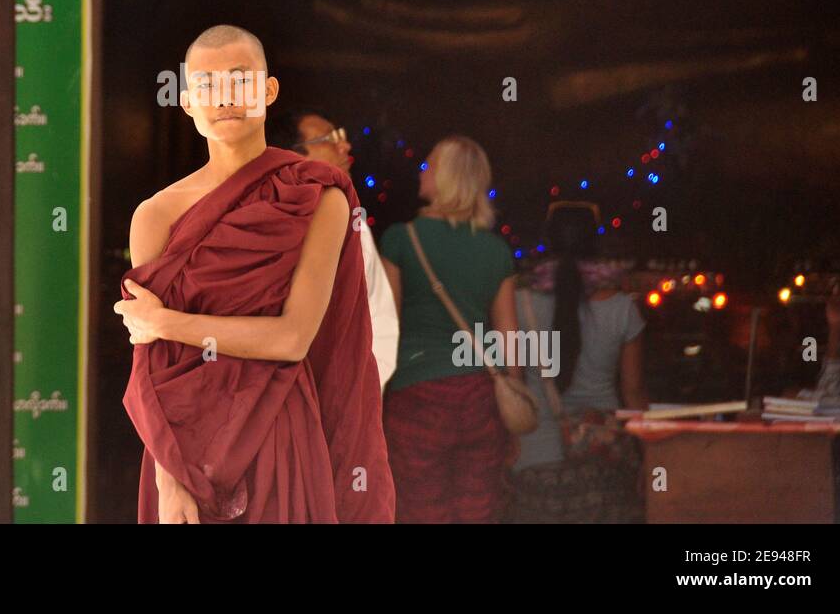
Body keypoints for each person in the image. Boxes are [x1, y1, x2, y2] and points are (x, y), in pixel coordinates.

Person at [113, 25, 394, 523]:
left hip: (279, 430)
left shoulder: (315, 196)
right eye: (207, 85)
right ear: (186, 102)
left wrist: (168, 323)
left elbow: (291, 338)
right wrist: (168, 482)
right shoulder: (155, 215)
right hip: (181, 448)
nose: (225, 99)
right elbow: (152, 369)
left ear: (267, 91)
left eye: (240, 81)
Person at [378, 136, 518, 523]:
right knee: (476, 509)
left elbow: (387, 327)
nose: (421, 171)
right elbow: (509, 337)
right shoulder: (497, 251)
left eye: (430, 165)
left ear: (449, 178)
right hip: (480, 395)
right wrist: (512, 404)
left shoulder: (400, 239)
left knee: (421, 509)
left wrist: (373, 399)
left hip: (416, 393)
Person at [507, 203, 648, 523]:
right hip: (605, 464)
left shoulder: (518, 301)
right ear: (595, 244)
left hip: (533, 462)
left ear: (548, 241)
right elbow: (634, 392)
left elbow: (508, 380)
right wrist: (648, 459)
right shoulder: (623, 308)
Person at [266, 109, 399, 391]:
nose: (345, 145)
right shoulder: (258, 221)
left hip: (340, 400)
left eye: (342, 135)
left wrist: (359, 391)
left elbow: (379, 317)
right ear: (294, 155)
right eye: (330, 138)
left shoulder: (354, 223)